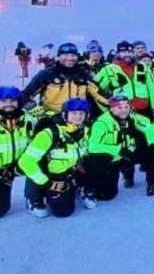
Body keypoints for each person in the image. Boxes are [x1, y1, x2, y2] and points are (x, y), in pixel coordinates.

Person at [84, 94, 154, 202]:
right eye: (119, 108)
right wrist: (118, 149)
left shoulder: (133, 117)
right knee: (107, 196)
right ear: (111, 108)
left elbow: (148, 127)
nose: (123, 110)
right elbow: (93, 146)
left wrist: (152, 143)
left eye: (126, 107)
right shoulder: (101, 123)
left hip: (131, 152)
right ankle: (92, 186)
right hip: (114, 159)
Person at [19, 98, 91, 218]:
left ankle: (80, 187)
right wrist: (47, 183)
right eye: (74, 113)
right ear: (65, 114)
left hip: (70, 171)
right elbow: (25, 162)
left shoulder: (85, 131)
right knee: (62, 212)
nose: (78, 117)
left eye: (81, 113)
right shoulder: (50, 133)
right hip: (51, 176)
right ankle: (34, 198)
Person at [21, 42, 110, 120]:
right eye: (66, 55)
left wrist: (117, 103)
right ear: (58, 57)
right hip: (52, 118)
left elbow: (99, 94)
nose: (70, 58)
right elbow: (25, 95)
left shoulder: (83, 75)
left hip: (78, 118)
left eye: (73, 55)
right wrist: (36, 110)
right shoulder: (47, 74)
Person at [95, 41, 154, 119]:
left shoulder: (142, 67)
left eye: (129, 52)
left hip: (145, 109)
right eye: (123, 52)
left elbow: (151, 88)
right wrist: (108, 107)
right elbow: (96, 89)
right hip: (122, 111)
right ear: (118, 54)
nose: (126, 54)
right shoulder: (109, 69)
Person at [0, 87, 34, 217]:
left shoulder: (27, 119)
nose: (8, 104)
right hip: (2, 169)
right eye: (4, 100)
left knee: (41, 160)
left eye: (12, 100)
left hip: (21, 163)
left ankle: (34, 197)